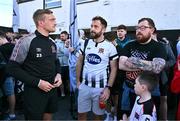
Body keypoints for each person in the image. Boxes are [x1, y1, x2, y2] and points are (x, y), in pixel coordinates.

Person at [7, 9, 62, 120]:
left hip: (52, 90)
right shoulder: (26, 41)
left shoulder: (52, 42)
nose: (55, 22)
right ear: (41, 23)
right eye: (52, 20)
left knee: (48, 117)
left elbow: (56, 62)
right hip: (34, 93)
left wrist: (59, 74)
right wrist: (38, 83)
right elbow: (11, 68)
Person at [119, 18, 166, 119]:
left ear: (152, 30)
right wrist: (149, 65)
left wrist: (133, 60)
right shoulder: (129, 44)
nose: (139, 30)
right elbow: (121, 65)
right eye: (137, 28)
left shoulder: (159, 47)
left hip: (150, 92)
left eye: (143, 28)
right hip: (129, 89)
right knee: (127, 117)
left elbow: (157, 68)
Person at [76, 16, 118, 120]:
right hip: (84, 86)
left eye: (96, 26)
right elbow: (79, 61)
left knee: (98, 116)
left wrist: (108, 88)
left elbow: (114, 69)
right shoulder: (85, 43)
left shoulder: (110, 47)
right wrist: (77, 81)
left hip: (101, 89)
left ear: (103, 29)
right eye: (91, 26)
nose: (92, 29)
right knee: (81, 115)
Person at [108, 24, 132, 121]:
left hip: (124, 72)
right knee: (111, 91)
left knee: (121, 94)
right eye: (118, 31)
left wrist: (116, 45)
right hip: (113, 70)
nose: (119, 33)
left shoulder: (130, 42)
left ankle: (118, 114)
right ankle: (112, 110)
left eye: (121, 31)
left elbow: (123, 54)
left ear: (125, 32)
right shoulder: (113, 42)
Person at [152, 30, 176, 120]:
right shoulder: (143, 45)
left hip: (162, 77)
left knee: (163, 99)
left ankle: (164, 119)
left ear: (154, 33)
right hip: (148, 77)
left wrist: (162, 65)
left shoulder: (164, 45)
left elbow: (172, 60)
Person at [0, 32, 16, 120]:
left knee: (9, 93)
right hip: (12, 73)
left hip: (4, 74)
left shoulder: (1, 48)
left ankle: (11, 113)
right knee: (11, 93)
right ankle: (11, 112)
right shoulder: (13, 46)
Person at [55, 31, 69, 97]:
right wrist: (65, 50)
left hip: (68, 65)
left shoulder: (71, 43)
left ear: (67, 36)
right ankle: (62, 93)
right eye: (60, 36)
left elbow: (67, 53)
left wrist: (64, 51)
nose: (61, 37)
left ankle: (69, 92)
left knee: (68, 80)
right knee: (61, 80)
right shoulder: (57, 43)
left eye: (63, 36)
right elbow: (57, 53)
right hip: (60, 65)